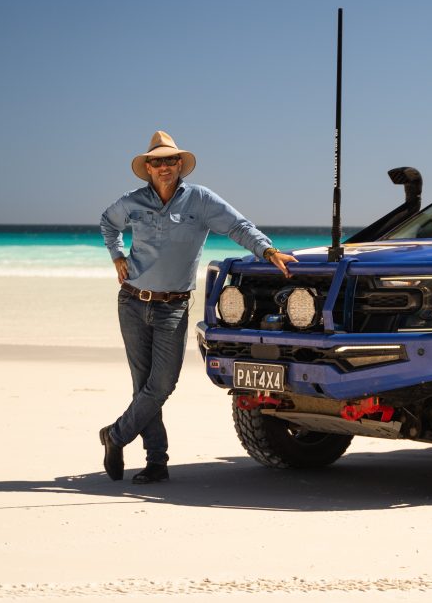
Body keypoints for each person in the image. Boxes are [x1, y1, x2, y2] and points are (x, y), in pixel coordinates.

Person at [98, 130, 296, 484]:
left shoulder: (201, 201)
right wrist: (116, 256)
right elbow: (108, 222)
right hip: (131, 301)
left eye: (170, 160)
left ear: (179, 164)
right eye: (156, 161)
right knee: (142, 385)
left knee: (161, 385)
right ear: (147, 167)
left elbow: (238, 226)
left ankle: (115, 436)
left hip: (172, 307)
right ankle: (156, 462)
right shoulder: (132, 201)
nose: (163, 166)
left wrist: (266, 251)